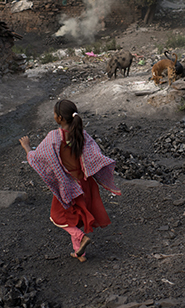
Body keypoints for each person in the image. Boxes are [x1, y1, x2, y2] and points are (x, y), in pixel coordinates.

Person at [19, 99, 120, 262]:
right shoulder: (82, 134)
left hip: (68, 184)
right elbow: (93, 155)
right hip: (84, 183)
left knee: (57, 217)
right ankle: (79, 253)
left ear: (59, 118)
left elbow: (38, 157)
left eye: (54, 114)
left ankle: (81, 236)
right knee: (76, 217)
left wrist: (27, 147)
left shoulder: (54, 137)